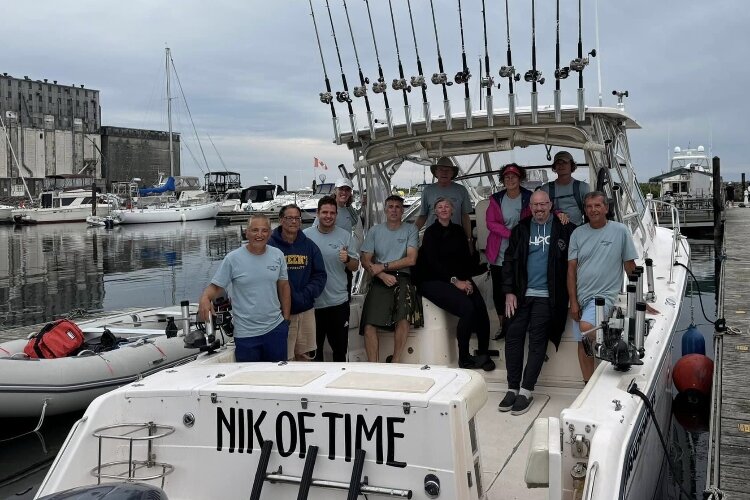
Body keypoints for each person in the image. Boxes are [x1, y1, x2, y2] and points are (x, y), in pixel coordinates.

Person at [498, 191, 575, 415]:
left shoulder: (564, 228)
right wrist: (509, 291)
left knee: (537, 338)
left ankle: (526, 390)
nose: (539, 208)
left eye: (543, 204)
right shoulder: (521, 229)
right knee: (513, 335)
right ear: (529, 207)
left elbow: (576, 260)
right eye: (535, 205)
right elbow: (509, 261)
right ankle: (512, 387)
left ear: (551, 205)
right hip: (521, 295)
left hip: (547, 296)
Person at [416, 198, 495, 371]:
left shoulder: (459, 231)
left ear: (452, 210)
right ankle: (464, 358)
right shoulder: (431, 233)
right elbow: (433, 264)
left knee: (480, 308)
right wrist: (455, 281)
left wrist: (468, 281)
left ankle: (482, 354)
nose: (444, 209)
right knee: (467, 308)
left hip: (457, 278)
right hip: (432, 280)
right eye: (439, 207)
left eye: (447, 206)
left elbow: (465, 261)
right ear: (435, 212)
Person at [198, 215, 291, 362]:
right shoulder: (232, 258)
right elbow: (216, 287)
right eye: (254, 230)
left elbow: (284, 286)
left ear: (270, 233)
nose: (259, 235)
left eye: (264, 230)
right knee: (249, 382)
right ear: (246, 232)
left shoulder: (278, 255)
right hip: (246, 334)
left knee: (276, 379)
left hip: (276, 330)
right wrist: (204, 298)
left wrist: (286, 319)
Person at [567, 191, 638, 382]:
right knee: (582, 343)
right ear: (585, 210)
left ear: (606, 208)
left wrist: (639, 299)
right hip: (582, 297)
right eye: (589, 206)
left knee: (586, 326)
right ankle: (587, 384)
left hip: (604, 295)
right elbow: (571, 271)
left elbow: (630, 266)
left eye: (597, 206)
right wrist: (573, 302)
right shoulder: (577, 234)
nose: (593, 210)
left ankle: (616, 351)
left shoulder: (620, 230)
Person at [360, 195, 421, 363]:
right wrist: (381, 274)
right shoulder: (375, 231)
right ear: (385, 210)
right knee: (369, 324)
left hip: (403, 277)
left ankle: (395, 361)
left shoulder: (411, 230)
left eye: (397, 207)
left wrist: (384, 266)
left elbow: (411, 259)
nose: (394, 210)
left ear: (403, 210)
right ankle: (374, 365)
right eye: (391, 206)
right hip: (379, 277)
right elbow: (365, 259)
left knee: (403, 317)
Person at [304, 196, 360, 361]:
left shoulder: (345, 236)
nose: (328, 216)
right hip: (313, 304)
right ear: (317, 213)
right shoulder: (305, 236)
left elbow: (355, 266)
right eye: (324, 212)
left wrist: (347, 260)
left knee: (340, 351)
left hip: (338, 303)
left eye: (332, 213)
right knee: (315, 353)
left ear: (336, 215)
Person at [268, 204, 327, 361]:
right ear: (281, 220)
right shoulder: (270, 246)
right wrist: (290, 297)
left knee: (306, 356)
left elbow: (320, 275)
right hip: (281, 313)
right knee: (285, 358)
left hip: (306, 310)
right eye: (289, 218)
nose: (293, 221)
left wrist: (306, 294)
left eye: (297, 218)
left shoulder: (310, 246)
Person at [485, 163, 532, 339]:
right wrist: (511, 234)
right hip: (499, 253)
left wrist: (560, 214)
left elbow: (543, 210)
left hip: (522, 252)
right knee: (499, 291)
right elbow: (490, 223)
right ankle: (503, 325)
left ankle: (520, 324)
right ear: (503, 180)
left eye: (513, 176)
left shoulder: (529, 197)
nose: (510, 179)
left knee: (521, 287)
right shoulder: (496, 199)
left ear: (520, 178)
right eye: (507, 177)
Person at [415, 156, 473, 250]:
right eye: (441, 169)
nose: (444, 172)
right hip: (433, 237)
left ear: (452, 173)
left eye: (448, 170)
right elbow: (423, 216)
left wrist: (469, 239)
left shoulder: (461, 190)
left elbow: (465, 216)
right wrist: (410, 234)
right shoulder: (427, 191)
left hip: (455, 237)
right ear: (436, 172)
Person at [540, 150, 591, 226]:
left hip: (577, 229)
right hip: (553, 231)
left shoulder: (583, 187)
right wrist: (556, 214)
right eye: (558, 163)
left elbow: (590, 210)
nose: (561, 165)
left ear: (572, 165)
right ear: (555, 167)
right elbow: (540, 211)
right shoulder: (545, 189)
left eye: (565, 162)